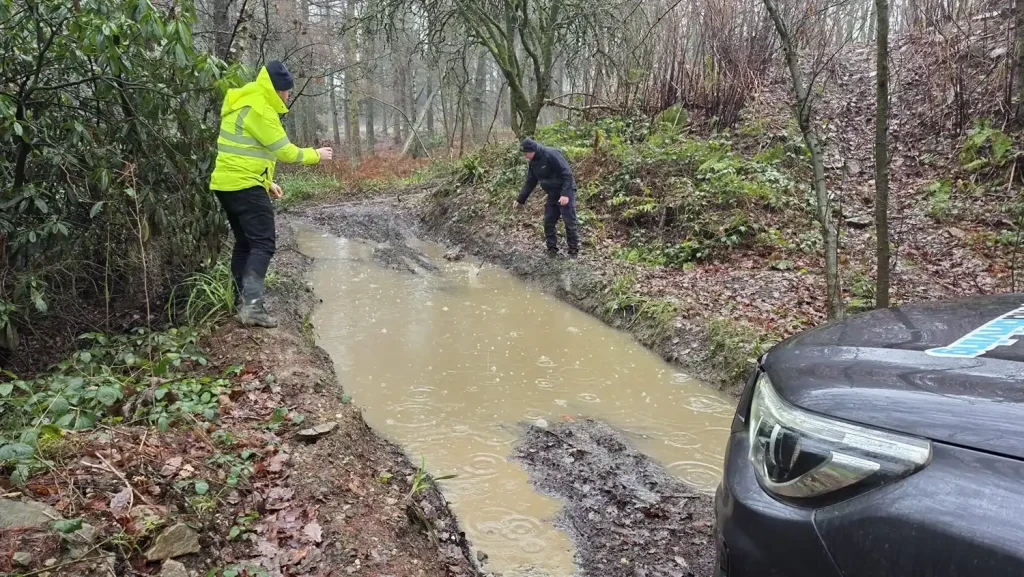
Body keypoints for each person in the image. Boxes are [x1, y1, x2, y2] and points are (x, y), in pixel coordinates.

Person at [209, 60, 333, 328]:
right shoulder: (261, 109)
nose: (288, 96)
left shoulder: (245, 100)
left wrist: (267, 182)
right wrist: (316, 155)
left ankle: (241, 300)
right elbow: (285, 151)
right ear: (278, 90)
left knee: (245, 243)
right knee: (263, 244)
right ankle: (252, 308)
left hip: (227, 184)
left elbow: (244, 152)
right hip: (244, 186)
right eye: (287, 91)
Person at [512, 137, 579, 258]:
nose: (525, 156)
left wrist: (565, 194)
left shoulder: (551, 154)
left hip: (565, 191)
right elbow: (530, 181)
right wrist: (520, 199)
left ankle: (573, 251)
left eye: (526, 153)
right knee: (548, 221)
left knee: (569, 222)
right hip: (552, 193)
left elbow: (567, 174)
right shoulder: (533, 162)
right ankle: (551, 249)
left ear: (533, 150)